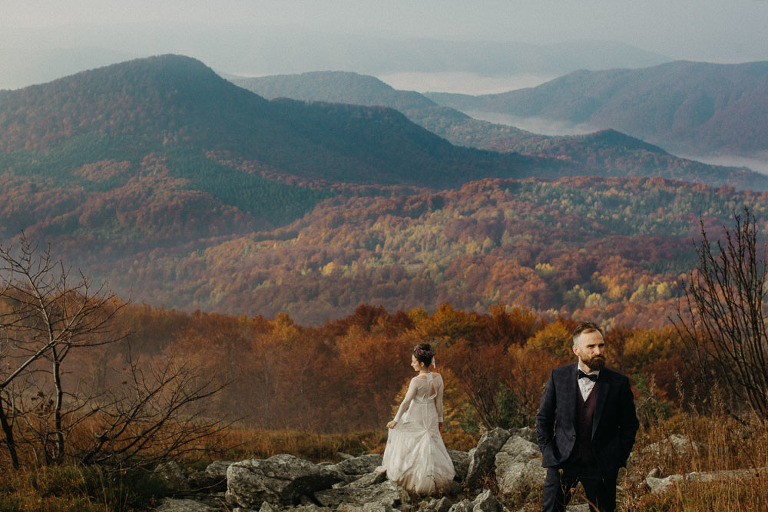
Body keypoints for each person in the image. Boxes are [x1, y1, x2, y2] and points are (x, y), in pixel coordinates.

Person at [536, 322, 639, 512]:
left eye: (601, 345)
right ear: (576, 350)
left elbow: (629, 425)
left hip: (601, 465)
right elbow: (544, 418)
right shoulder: (558, 376)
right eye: (591, 347)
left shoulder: (618, 383)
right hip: (562, 461)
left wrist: (617, 457)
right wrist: (548, 452)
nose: (598, 351)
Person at [381, 343, 455, 495]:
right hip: (432, 415)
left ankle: (413, 478)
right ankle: (432, 479)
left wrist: (396, 419)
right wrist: (440, 420)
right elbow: (439, 401)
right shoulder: (438, 378)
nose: (411, 364)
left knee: (406, 437)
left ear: (422, 363)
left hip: (417, 414)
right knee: (430, 443)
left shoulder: (416, 381)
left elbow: (406, 402)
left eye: (414, 362)